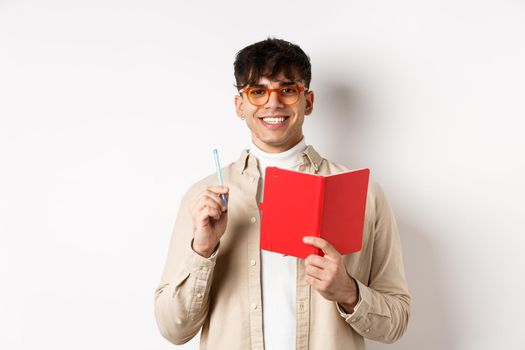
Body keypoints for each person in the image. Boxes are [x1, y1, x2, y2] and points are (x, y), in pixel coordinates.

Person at [154, 38, 410, 350]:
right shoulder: (204, 199)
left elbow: (397, 321)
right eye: (257, 91)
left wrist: (349, 292)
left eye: (287, 90)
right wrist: (203, 250)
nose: (272, 103)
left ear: (309, 101)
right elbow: (173, 329)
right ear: (240, 105)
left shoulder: (363, 194)